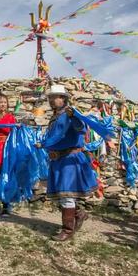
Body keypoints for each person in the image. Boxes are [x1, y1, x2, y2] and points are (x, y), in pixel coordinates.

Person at [39, 84, 98, 241]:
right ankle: (79, 214)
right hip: (58, 160)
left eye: (55, 97)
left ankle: (67, 230)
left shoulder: (70, 114)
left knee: (66, 195)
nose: (51, 100)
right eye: (50, 98)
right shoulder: (55, 117)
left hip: (70, 160)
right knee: (62, 194)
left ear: (63, 98)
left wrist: (73, 117)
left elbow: (81, 129)